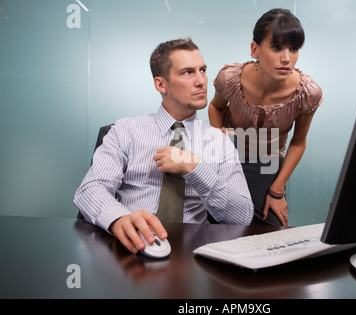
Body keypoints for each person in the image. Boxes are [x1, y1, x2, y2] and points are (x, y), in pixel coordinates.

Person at [74, 38, 254, 255]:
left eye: (203, 70)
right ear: (161, 84)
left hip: (195, 254)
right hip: (133, 248)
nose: (202, 81)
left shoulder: (220, 142)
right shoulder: (125, 130)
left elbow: (242, 216)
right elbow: (90, 189)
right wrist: (119, 218)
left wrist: (195, 168)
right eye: (187, 72)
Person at [208, 9, 323, 227]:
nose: (286, 58)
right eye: (277, 47)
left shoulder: (307, 93)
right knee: (220, 225)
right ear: (255, 49)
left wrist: (277, 190)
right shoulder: (231, 79)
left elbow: (298, 143)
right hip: (230, 155)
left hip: (269, 161)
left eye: (294, 48)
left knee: (271, 228)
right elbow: (215, 107)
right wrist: (217, 136)